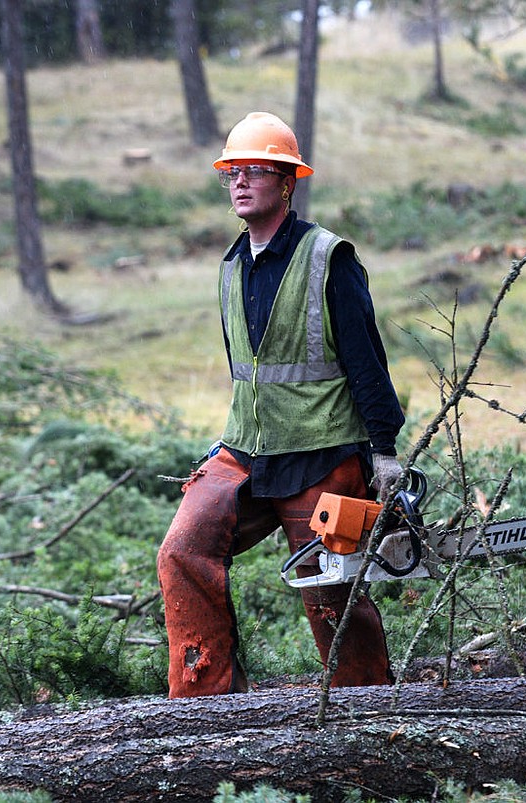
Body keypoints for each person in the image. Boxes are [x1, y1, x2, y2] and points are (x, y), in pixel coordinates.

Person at [156, 111, 406, 698]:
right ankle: (204, 702)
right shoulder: (230, 266)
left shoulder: (329, 259)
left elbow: (367, 361)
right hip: (246, 451)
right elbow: (249, 373)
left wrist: (384, 452)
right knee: (181, 551)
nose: (240, 182)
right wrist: (228, 439)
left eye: (255, 171)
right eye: (231, 173)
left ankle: (365, 705)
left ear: (288, 181)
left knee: (330, 592)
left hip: (323, 453)